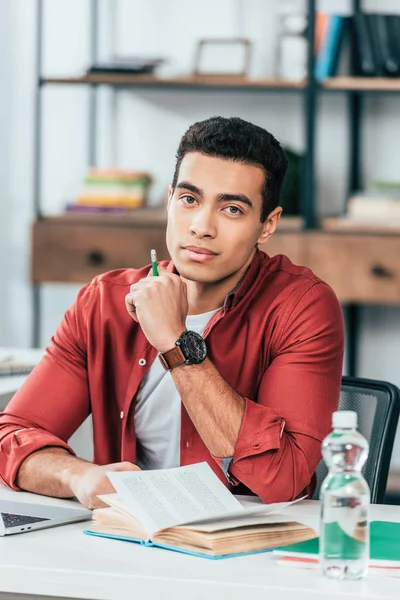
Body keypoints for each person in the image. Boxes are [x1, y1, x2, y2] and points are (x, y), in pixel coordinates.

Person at [0, 116, 344, 509]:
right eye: (189, 199)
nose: (201, 226)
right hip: (125, 536)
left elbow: (282, 478)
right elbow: (11, 436)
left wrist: (175, 342)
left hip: (249, 545)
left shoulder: (302, 306)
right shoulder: (103, 303)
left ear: (267, 225)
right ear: (169, 200)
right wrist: (78, 474)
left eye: (231, 208)